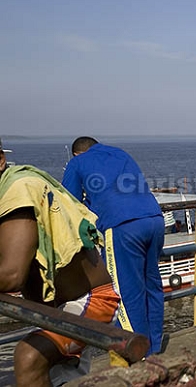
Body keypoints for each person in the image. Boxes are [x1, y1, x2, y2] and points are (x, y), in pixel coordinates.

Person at [0, 142, 120, 385]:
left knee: (29, 357)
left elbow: (12, 274)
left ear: (1, 160)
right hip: (55, 308)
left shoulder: (19, 190)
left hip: (91, 300)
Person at [62, 137, 165, 356]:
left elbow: (68, 203)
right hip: (154, 219)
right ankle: (154, 345)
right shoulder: (120, 153)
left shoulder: (77, 163)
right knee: (151, 285)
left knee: (128, 293)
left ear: (77, 153)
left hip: (122, 226)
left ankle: (137, 354)